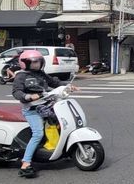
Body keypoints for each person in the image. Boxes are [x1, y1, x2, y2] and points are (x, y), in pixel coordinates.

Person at [11, 50, 79, 178]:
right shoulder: (21, 76)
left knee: (62, 124)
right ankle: (25, 163)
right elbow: (16, 92)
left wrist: (69, 86)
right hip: (32, 110)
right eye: (34, 62)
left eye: (39, 61)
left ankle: (63, 149)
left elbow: (54, 82)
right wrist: (28, 96)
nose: (37, 64)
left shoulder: (40, 74)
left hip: (46, 106)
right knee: (38, 133)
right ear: (25, 63)